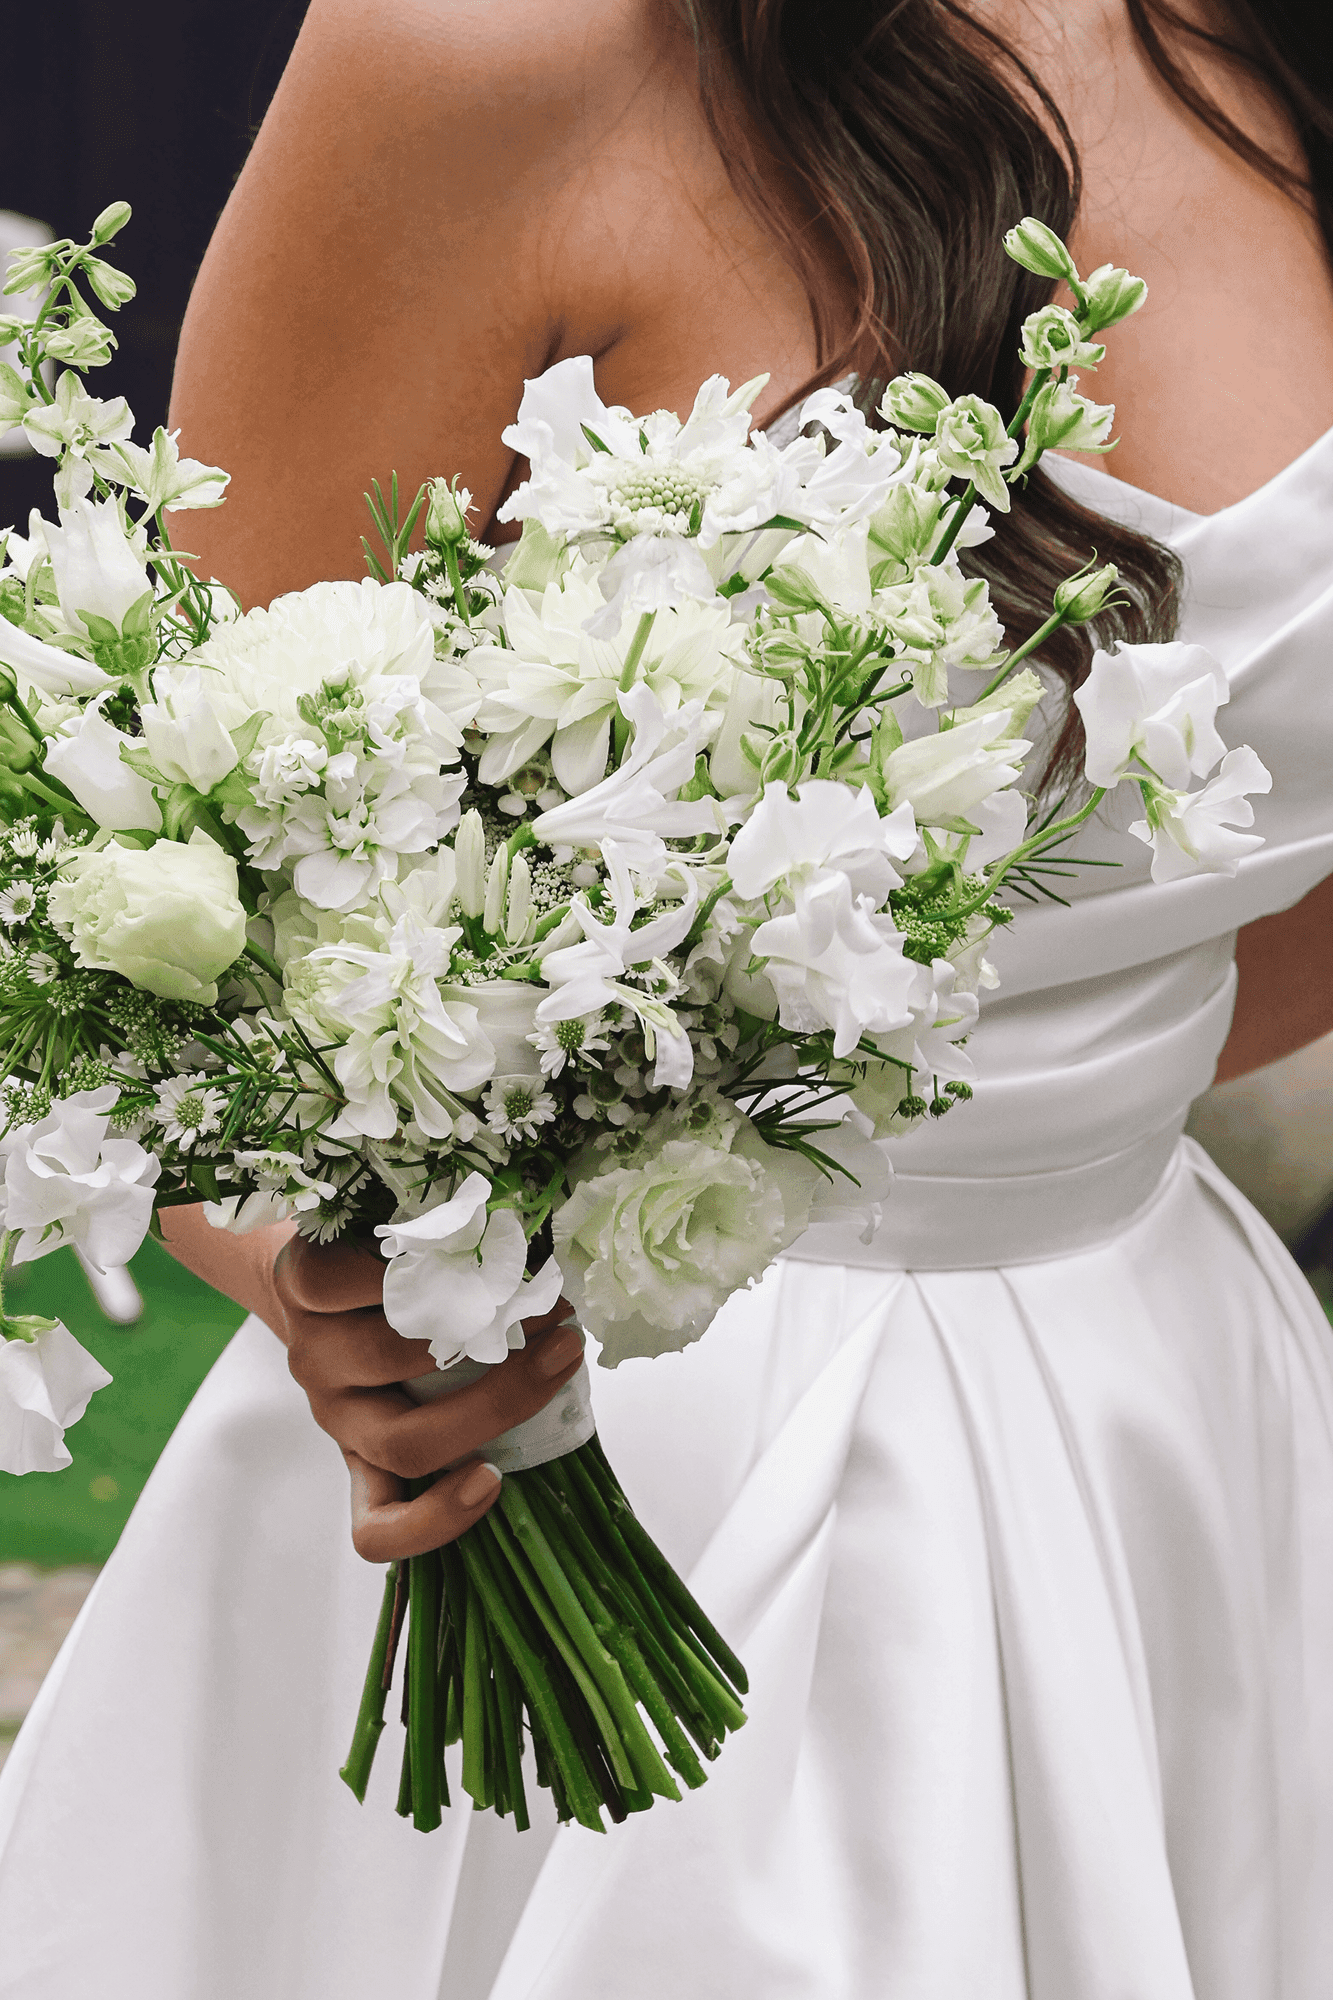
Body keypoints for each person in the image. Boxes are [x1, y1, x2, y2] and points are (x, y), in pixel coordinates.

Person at [2, 1, 1332, 1994]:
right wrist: (355, 1283)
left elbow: (1247, 914)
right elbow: (186, 868)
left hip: (1168, 1437)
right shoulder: (497, 50)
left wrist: (1041, 1131)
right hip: (624, 1453)